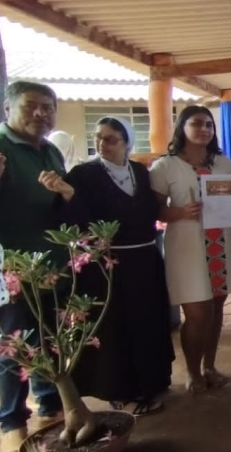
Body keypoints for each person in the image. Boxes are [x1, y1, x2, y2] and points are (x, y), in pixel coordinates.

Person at [41, 116, 174, 415]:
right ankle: (120, 393)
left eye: (112, 138)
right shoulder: (83, 174)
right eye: (98, 137)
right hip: (107, 265)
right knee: (117, 329)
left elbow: (151, 212)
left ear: (127, 142)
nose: (103, 143)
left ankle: (151, 381)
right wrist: (69, 196)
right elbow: (73, 220)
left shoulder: (140, 171)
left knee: (147, 323)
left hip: (144, 260)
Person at [150, 106, 231, 394]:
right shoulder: (165, 166)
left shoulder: (222, 162)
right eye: (196, 123)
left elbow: (229, 200)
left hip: (221, 244)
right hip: (187, 247)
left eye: (209, 124)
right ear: (182, 127)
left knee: (217, 309)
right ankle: (192, 371)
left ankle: (210, 365)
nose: (204, 129)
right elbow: (153, 210)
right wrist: (180, 211)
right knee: (196, 314)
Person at [0, 81, 64, 450]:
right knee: (14, 346)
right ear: (9, 108)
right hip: (11, 267)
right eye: (31, 106)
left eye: (48, 107)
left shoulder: (52, 152)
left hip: (50, 263)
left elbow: (58, 206)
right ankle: (11, 421)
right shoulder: (2, 147)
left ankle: (50, 404)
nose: (41, 113)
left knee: (49, 340)